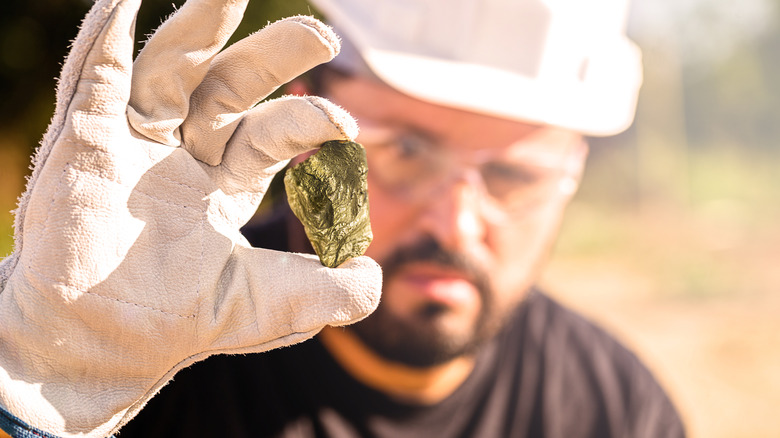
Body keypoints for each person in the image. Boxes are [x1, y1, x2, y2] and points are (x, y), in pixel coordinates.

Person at [0, 0, 684, 437]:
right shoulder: (143, 338)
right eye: (406, 151)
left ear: (573, 176)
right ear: (303, 125)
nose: (454, 222)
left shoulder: (616, 412)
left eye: (514, 175)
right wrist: (32, 399)